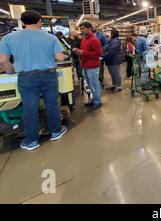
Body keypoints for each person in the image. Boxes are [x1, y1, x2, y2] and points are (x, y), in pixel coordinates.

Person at [0, 11, 67, 151]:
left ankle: (31, 140)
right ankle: (55, 131)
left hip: (26, 77)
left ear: (23, 22)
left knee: (30, 107)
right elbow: (60, 58)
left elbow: (3, 60)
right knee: (52, 104)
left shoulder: (9, 37)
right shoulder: (50, 37)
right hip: (48, 75)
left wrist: (11, 69)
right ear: (39, 21)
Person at [73, 22, 103, 112]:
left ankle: (98, 102)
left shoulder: (94, 40)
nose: (81, 30)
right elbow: (84, 51)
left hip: (92, 66)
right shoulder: (84, 39)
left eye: (83, 28)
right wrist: (78, 51)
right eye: (81, 29)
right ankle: (94, 99)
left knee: (94, 85)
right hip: (86, 65)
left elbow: (99, 53)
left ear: (89, 28)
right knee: (90, 85)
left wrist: (83, 53)